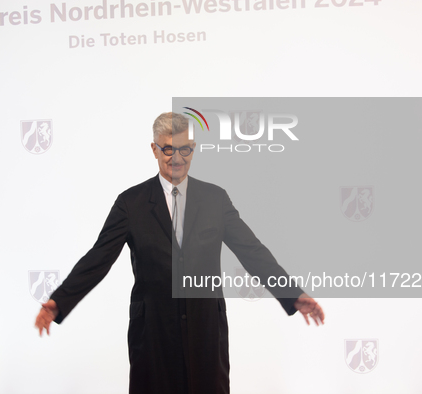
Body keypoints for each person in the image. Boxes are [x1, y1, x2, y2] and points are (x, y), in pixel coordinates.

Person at [35, 112, 325, 394]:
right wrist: (59, 301)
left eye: (184, 149)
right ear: (154, 148)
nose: (176, 157)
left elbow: (252, 251)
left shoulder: (215, 198)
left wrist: (292, 293)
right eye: (168, 149)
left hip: (206, 330)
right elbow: (98, 258)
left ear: (193, 149)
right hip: (153, 333)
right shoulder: (130, 203)